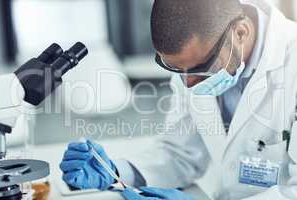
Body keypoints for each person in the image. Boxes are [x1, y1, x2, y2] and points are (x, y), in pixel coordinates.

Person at [60, 0, 297, 199]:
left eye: (200, 68)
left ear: (241, 33)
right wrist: (116, 170)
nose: (188, 83)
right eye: (175, 70)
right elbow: (180, 154)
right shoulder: (191, 63)